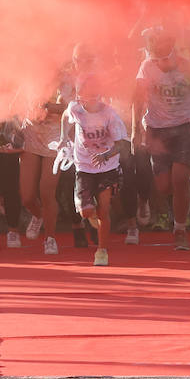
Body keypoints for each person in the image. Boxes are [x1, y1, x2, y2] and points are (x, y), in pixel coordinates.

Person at [132, 28, 190, 251]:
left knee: (179, 180)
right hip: (156, 129)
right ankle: (183, 193)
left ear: (173, 52)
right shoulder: (147, 67)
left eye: (166, 58)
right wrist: (135, 130)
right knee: (163, 186)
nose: (161, 63)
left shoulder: (187, 67)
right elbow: (138, 97)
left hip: (184, 127)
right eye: (157, 59)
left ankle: (180, 230)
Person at [61, 73, 129, 267]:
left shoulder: (109, 114)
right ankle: (89, 215)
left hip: (107, 166)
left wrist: (105, 155)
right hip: (83, 165)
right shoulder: (75, 109)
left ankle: (102, 250)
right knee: (86, 211)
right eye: (86, 91)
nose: (90, 95)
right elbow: (65, 117)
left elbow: (120, 144)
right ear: (79, 94)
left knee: (104, 210)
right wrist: (64, 136)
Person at [19, 98, 65, 255]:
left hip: (55, 138)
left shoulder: (67, 80)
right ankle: (38, 216)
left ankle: (50, 238)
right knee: (27, 197)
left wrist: (51, 107)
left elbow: (76, 106)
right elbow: (16, 102)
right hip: (31, 136)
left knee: (46, 192)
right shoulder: (28, 78)